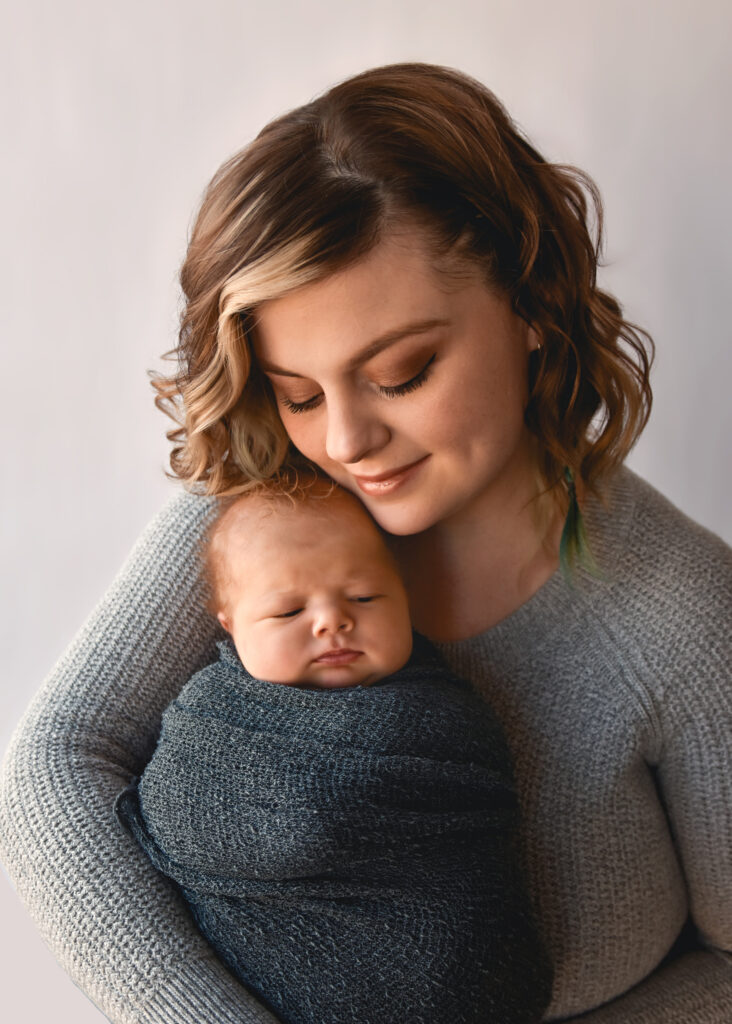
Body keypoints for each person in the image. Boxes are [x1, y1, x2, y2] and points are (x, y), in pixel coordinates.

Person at [0, 61, 730, 1024]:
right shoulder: (268, 508)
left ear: (533, 308)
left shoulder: (688, 625)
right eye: (300, 392)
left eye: (401, 373)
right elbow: (54, 770)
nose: (345, 444)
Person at [115, 475, 551, 1024]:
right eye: (287, 612)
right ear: (232, 628)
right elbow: (173, 809)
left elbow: (480, 811)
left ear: (405, 597)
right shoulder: (209, 712)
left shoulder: (443, 711)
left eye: (365, 596)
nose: (332, 620)